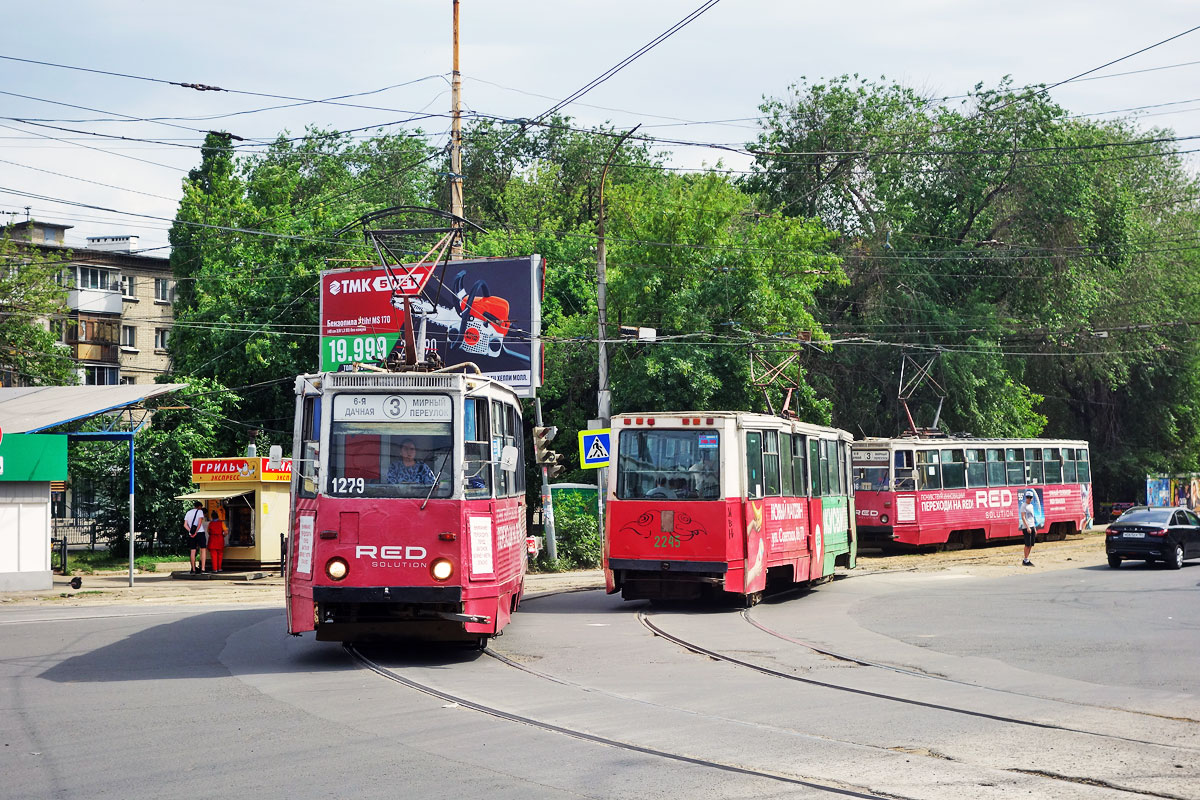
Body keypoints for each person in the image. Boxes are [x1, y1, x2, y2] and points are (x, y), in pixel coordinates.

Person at [182, 500, 207, 574]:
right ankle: (203, 568)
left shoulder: (188, 512)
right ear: (199, 507)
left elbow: (185, 525)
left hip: (191, 534)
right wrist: (196, 531)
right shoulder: (200, 512)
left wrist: (191, 532)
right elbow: (199, 523)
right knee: (203, 549)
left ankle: (193, 569)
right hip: (200, 532)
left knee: (193, 551)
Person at [1019, 490, 1038, 566]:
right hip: (1026, 527)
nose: (1029, 499)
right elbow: (1023, 517)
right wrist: (1027, 527)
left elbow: (1032, 517)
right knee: (1027, 544)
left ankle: (1027, 559)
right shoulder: (1023, 505)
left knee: (1031, 544)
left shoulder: (1031, 506)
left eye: (1030, 497)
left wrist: (1034, 527)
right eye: (1027, 497)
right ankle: (1025, 559)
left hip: (1032, 525)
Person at [207, 509, 226, 573]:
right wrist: (223, 535)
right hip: (220, 539)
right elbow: (225, 531)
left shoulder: (210, 523)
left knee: (213, 555)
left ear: (212, 517)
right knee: (220, 555)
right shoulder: (221, 523)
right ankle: (219, 568)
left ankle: (215, 569)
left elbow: (208, 531)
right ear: (218, 516)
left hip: (212, 540)